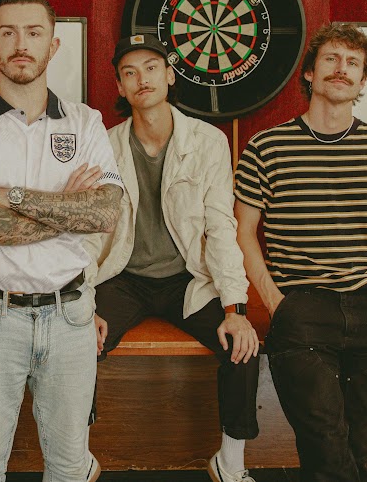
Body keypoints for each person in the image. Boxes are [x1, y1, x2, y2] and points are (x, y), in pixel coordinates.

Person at [0, 0, 123, 482]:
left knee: (68, 466)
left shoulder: (86, 122)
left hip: (71, 315)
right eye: (8, 32)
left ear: (54, 45)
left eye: (34, 32)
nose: (22, 43)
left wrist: (11, 196)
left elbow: (105, 213)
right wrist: (67, 207)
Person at [234, 22, 367, 482]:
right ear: (309, 74)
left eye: (353, 63)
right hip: (302, 308)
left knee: (362, 443)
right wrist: (276, 302)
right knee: (324, 441)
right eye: (332, 60)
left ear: (362, 80)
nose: (342, 69)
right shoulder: (266, 147)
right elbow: (242, 234)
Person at [84, 34, 260, 482]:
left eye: (151, 67)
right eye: (129, 72)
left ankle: (231, 463)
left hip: (188, 278)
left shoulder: (208, 141)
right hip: (122, 275)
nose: (141, 78)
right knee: (77, 342)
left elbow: (222, 226)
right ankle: (76, 456)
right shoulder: (103, 144)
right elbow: (88, 230)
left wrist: (234, 308)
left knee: (241, 345)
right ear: (120, 88)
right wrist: (83, 305)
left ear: (170, 75)